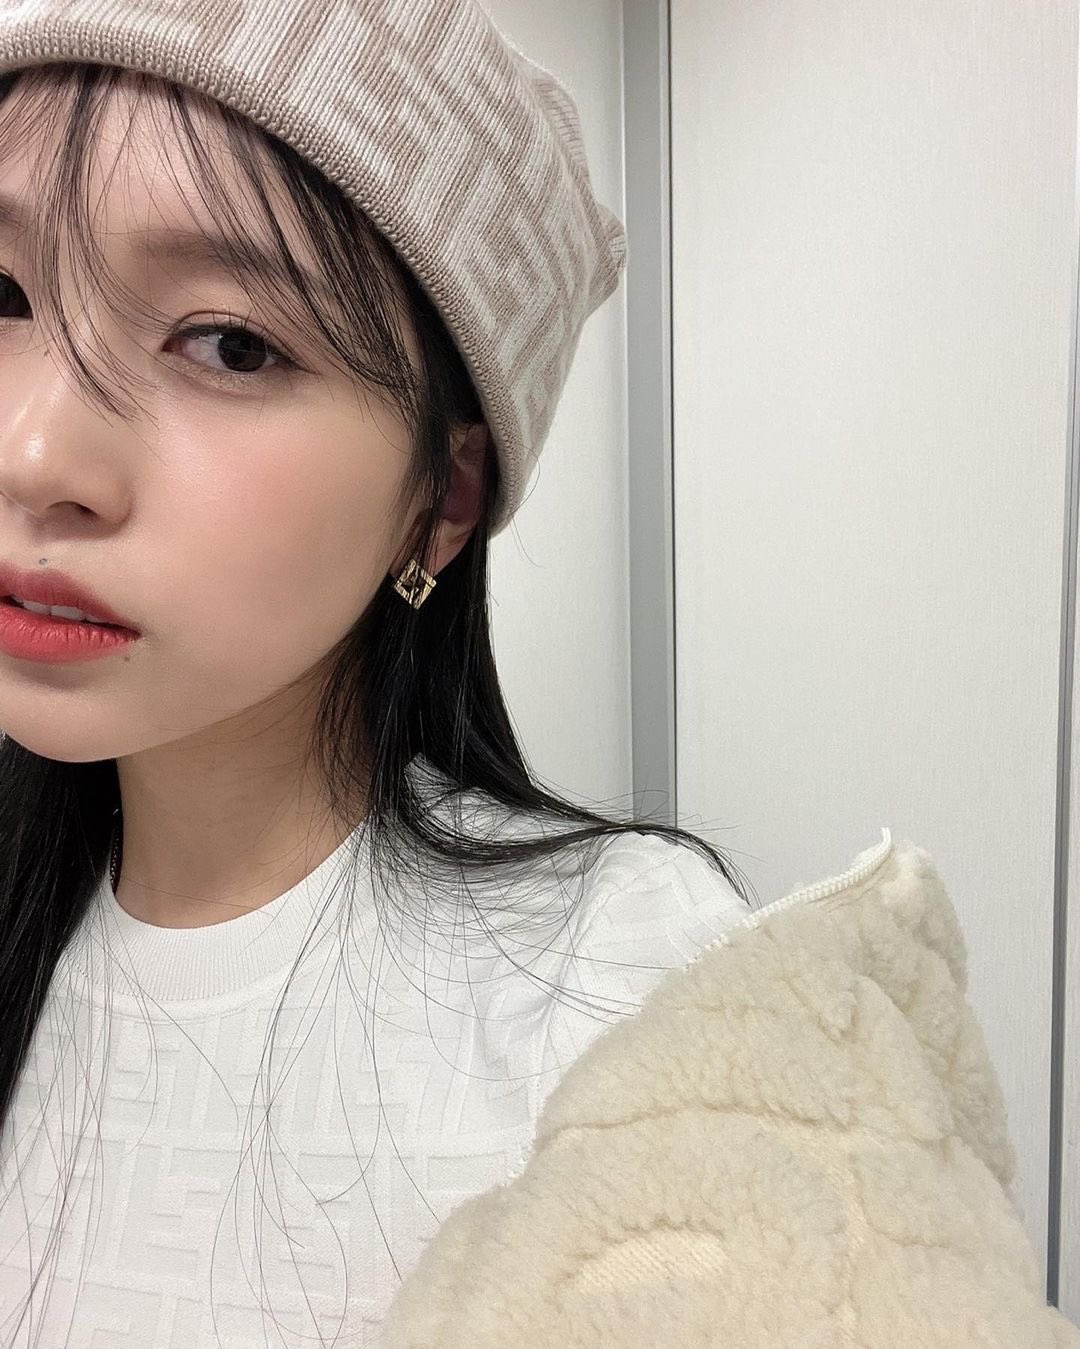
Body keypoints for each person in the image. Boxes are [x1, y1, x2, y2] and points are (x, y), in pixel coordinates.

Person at [0, 3, 761, 1344]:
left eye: (230, 342)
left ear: (442, 500)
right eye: (2, 297)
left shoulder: (626, 981)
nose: (36, 453)